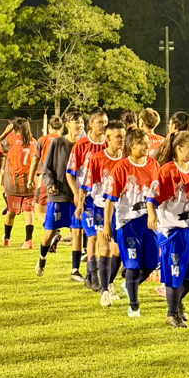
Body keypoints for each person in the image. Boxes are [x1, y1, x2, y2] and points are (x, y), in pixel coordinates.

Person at [147, 131, 189, 327]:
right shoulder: (168, 171)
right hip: (173, 231)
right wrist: (151, 215)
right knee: (174, 274)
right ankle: (172, 313)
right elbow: (152, 197)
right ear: (179, 148)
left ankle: (175, 305)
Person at [104, 127, 160, 317]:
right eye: (141, 143)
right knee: (133, 263)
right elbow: (110, 200)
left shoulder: (153, 164)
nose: (147, 146)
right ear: (131, 145)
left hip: (148, 220)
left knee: (152, 262)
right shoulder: (121, 168)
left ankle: (129, 285)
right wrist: (107, 225)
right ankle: (134, 306)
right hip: (127, 222)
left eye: (147, 143)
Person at [35, 111, 85, 280]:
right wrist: (50, 185)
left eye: (82, 122)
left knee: (77, 231)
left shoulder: (84, 145)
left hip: (76, 196)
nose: (80, 125)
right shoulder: (57, 142)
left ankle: (74, 271)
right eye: (76, 122)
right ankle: (42, 258)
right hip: (59, 195)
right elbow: (47, 168)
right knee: (50, 232)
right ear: (68, 124)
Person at [82, 120, 125, 306]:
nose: (121, 140)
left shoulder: (126, 159)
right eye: (118, 137)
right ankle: (105, 291)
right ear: (107, 138)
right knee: (105, 248)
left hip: (121, 210)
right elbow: (86, 184)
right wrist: (80, 204)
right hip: (100, 208)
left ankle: (109, 282)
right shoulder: (97, 159)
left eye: (123, 137)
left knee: (118, 250)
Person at [67, 107, 108, 290]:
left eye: (105, 122)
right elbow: (70, 173)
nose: (103, 125)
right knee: (92, 236)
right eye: (100, 122)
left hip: (105, 198)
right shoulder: (81, 145)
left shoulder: (109, 145)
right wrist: (77, 194)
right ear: (91, 123)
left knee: (104, 237)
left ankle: (93, 275)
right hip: (88, 198)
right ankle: (93, 274)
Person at [0, 118, 40, 248]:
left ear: (15, 129)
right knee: (29, 211)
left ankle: (7, 238)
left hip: (14, 183)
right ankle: (28, 240)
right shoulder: (35, 142)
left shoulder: (11, 139)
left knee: (11, 211)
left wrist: (5, 133)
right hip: (30, 182)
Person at [33, 116, 63, 229]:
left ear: (49, 126)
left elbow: (35, 160)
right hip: (63, 180)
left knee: (39, 210)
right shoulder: (65, 140)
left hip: (47, 179)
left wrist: (31, 178)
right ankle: (73, 234)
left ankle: (52, 231)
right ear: (62, 127)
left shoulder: (42, 140)